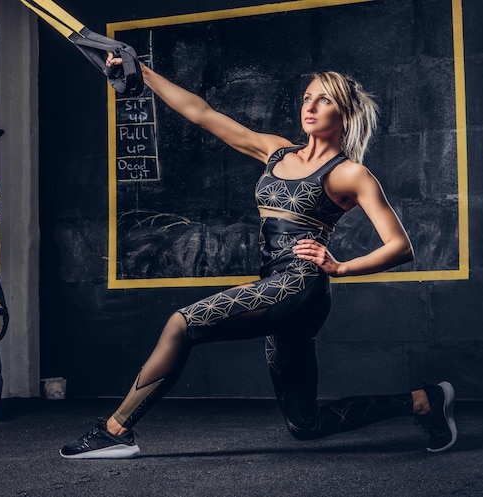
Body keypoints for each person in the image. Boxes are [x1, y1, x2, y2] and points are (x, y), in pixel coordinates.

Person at [59, 56, 457, 459]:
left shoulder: (350, 174)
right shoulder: (276, 152)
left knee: (182, 323)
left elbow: (400, 246)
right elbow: (202, 113)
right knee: (305, 425)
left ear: (346, 113)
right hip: (274, 285)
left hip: (300, 286)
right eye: (307, 98)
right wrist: (139, 71)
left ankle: (115, 430)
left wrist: (341, 266)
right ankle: (423, 402)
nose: (310, 107)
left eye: (323, 100)